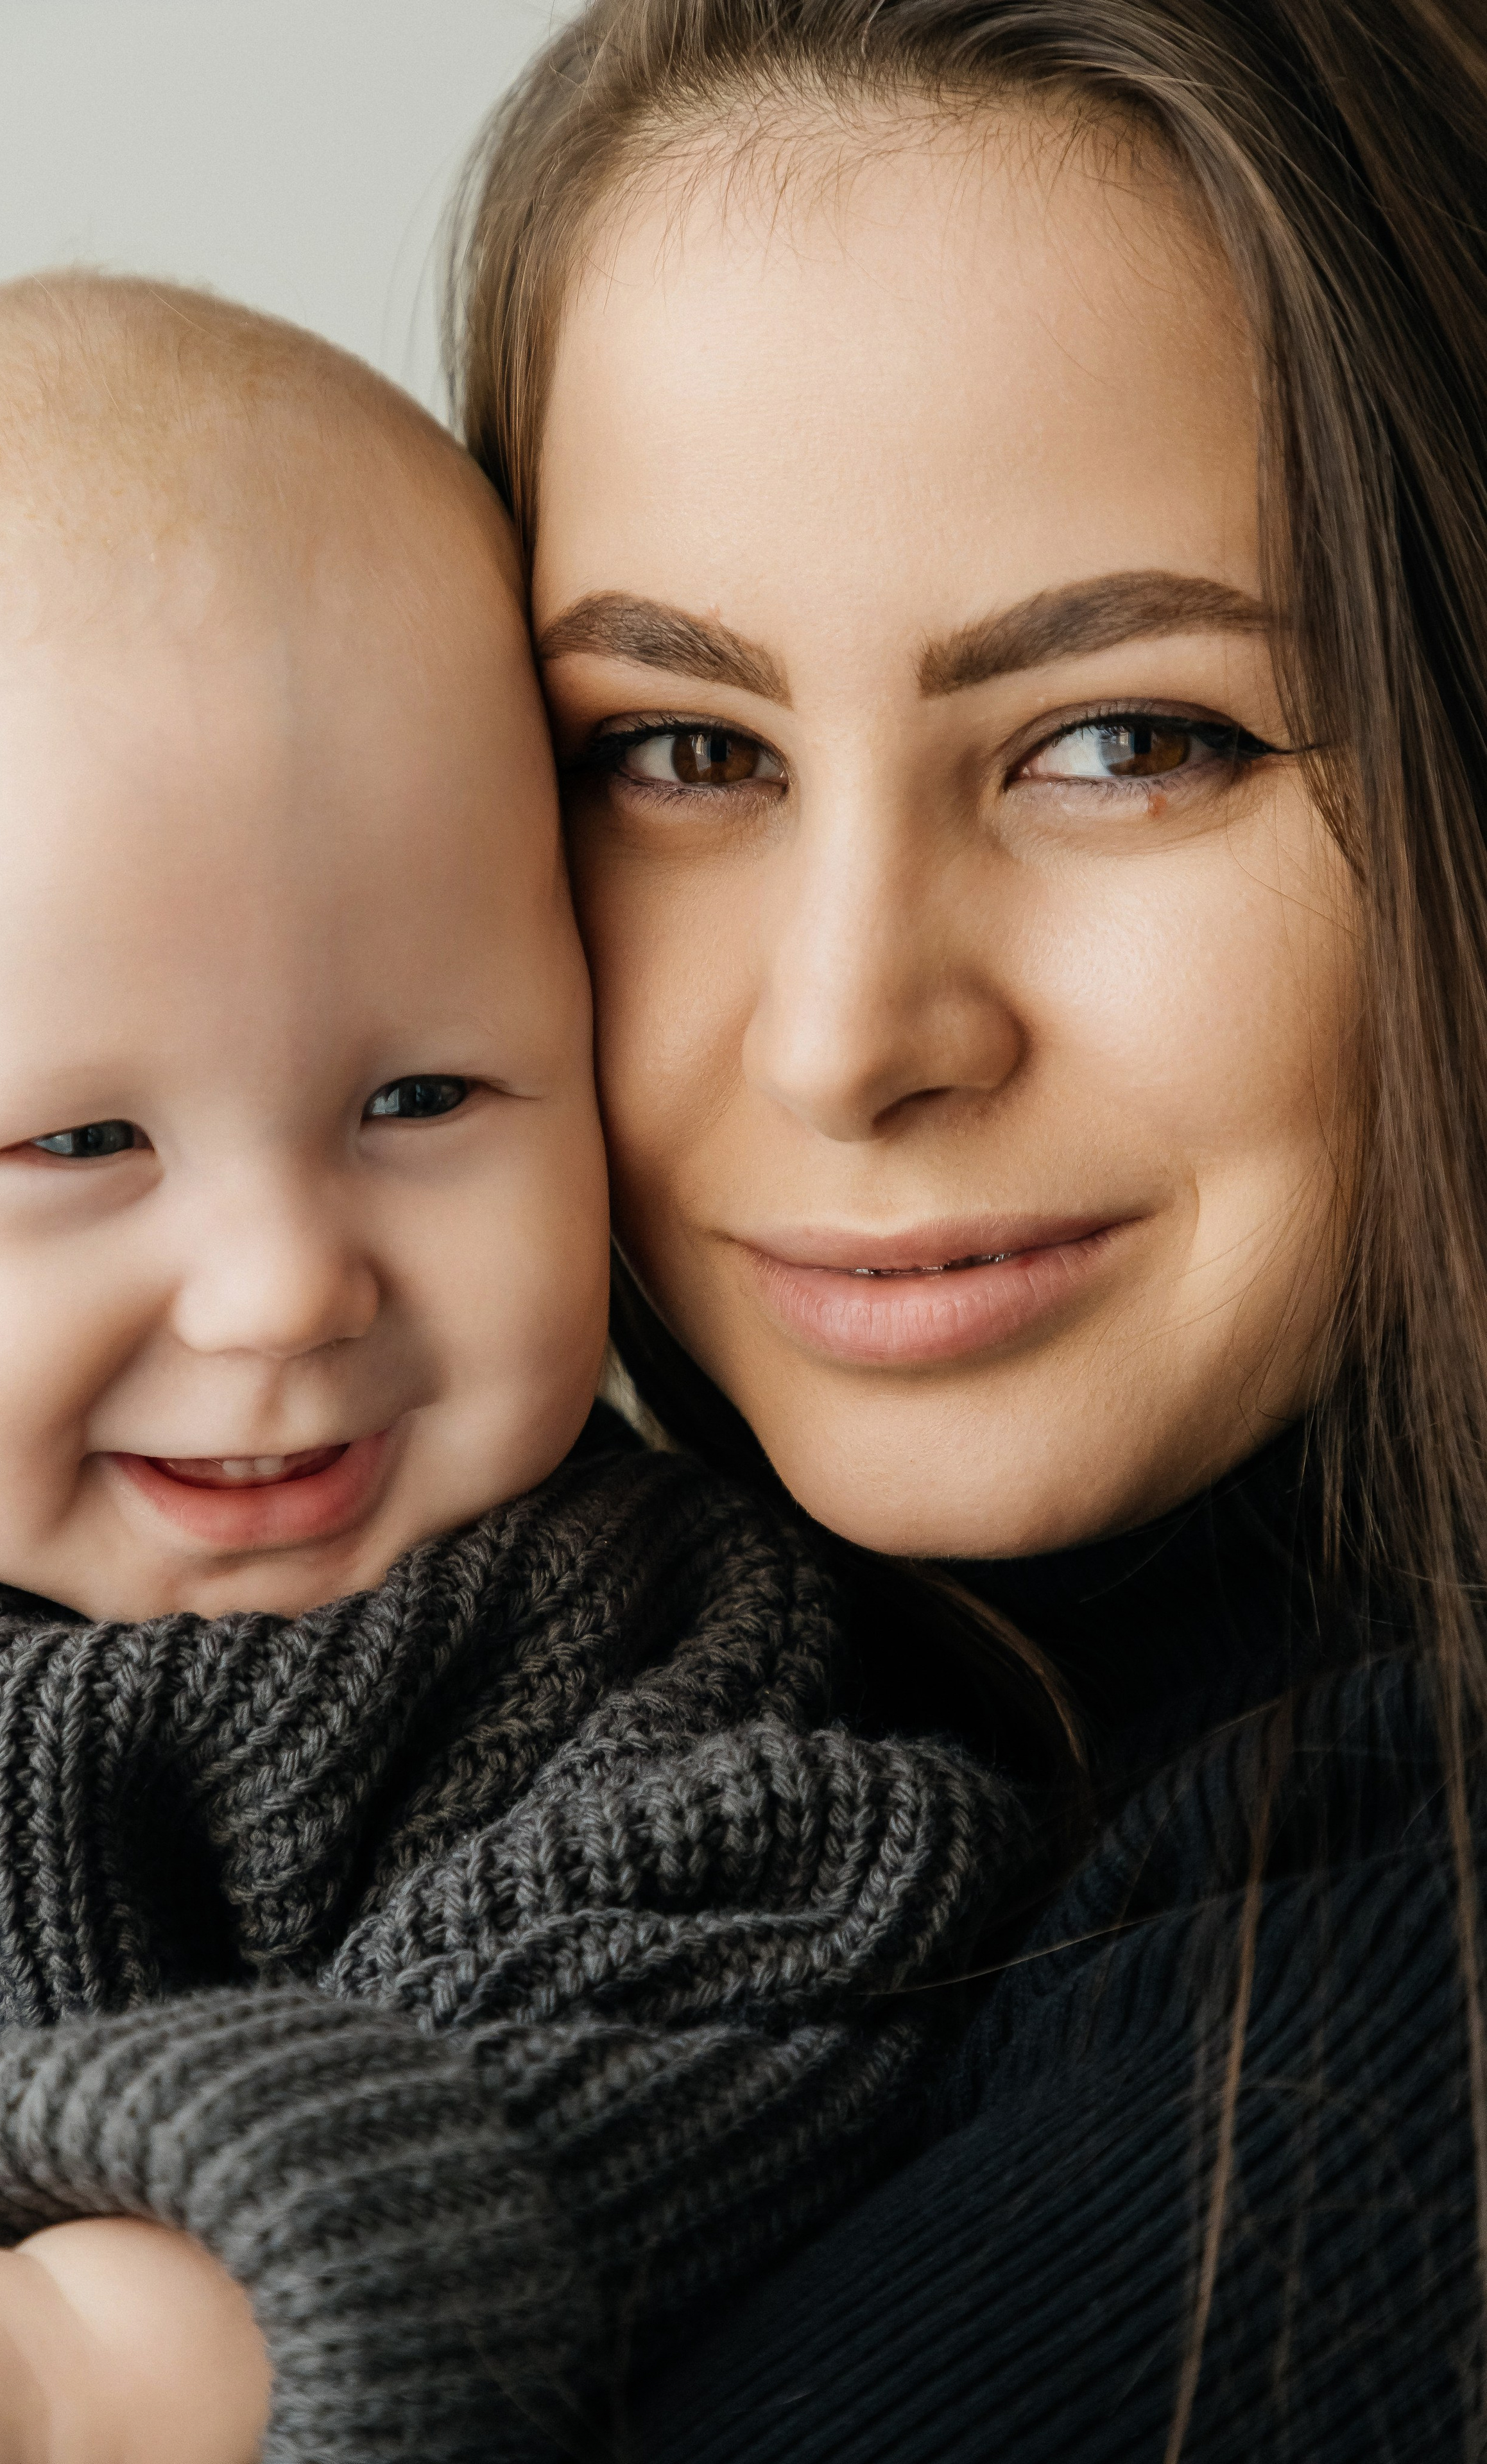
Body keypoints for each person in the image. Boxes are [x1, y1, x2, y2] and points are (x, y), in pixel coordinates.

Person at [0, 274, 1022, 2461]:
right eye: (86, 1141)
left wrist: (77, 2359)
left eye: (427, 1101)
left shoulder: (657, 1664)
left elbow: (742, 2016)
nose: (285, 1290)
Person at [440, 0, 1487, 2453]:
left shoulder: (1378, 2050)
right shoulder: (507, 1696)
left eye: (1129, 739)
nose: (844, 1036)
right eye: (682, 753)